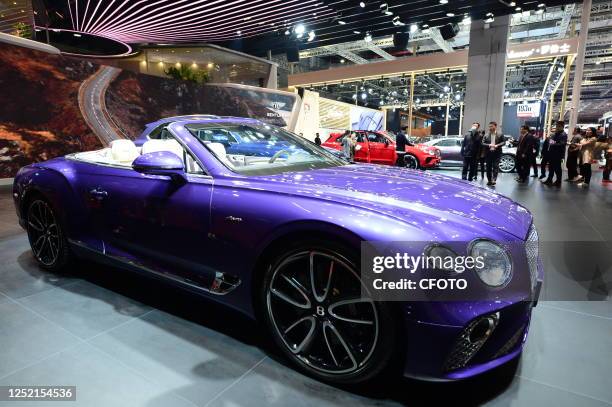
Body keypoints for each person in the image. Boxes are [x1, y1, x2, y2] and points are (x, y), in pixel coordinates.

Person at [542, 121, 568, 187]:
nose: (557, 127)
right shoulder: (556, 133)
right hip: (552, 154)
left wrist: (553, 143)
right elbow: (552, 141)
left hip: (557, 155)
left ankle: (558, 181)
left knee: (557, 169)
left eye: (558, 126)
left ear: (562, 126)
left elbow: (562, 144)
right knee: (551, 168)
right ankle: (549, 180)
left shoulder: (563, 134)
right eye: (556, 126)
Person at [481, 122, 506, 186]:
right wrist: (489, 145)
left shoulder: (500, 134)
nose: (490, 128)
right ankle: (489, 180)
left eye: (491, 126)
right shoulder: (486, 135)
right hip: (488, 154)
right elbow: (482, 143)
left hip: (497, 153)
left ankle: (494, 180)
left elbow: (504, 142)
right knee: (488, 167)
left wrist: (497, 145)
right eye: (489, 126)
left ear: (495, 126)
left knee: (495, 166)